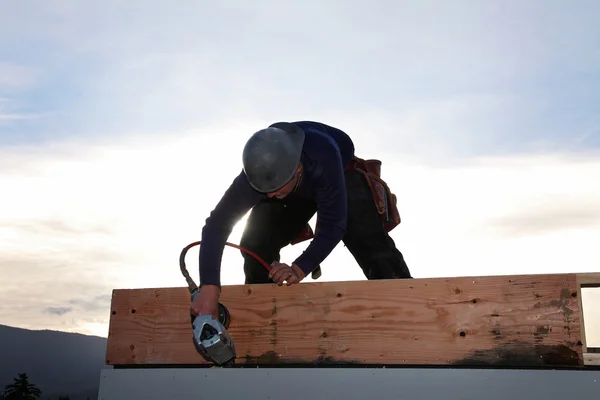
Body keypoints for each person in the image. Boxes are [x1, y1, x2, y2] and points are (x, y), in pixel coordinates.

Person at [190, 121, 412, 319]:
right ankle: (264, 312)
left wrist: (299, 268)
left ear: (297, 169)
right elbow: (216, 226)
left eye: (274, 189)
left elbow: (333, 225)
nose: (269, 195)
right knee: (255, 242)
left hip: (340, 173)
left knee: (361, 229)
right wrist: (209, 287)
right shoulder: (259, 177)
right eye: (264, 190)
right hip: (294, 189)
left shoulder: (323, 154)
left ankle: (403, 301)